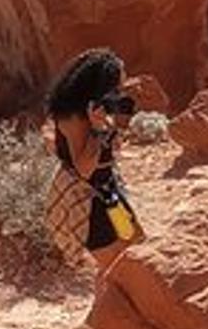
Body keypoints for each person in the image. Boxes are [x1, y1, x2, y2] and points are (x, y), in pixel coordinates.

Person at [42, 48, 144, 271]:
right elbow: (84, 168)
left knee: (135, 248)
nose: (119, 92)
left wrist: (118, 122)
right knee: (115, 268)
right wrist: (97, 129)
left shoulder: (100, 108)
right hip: (86, 202)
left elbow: (111, 151)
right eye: (116, 87)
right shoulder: (72, 117)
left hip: (109, 193)